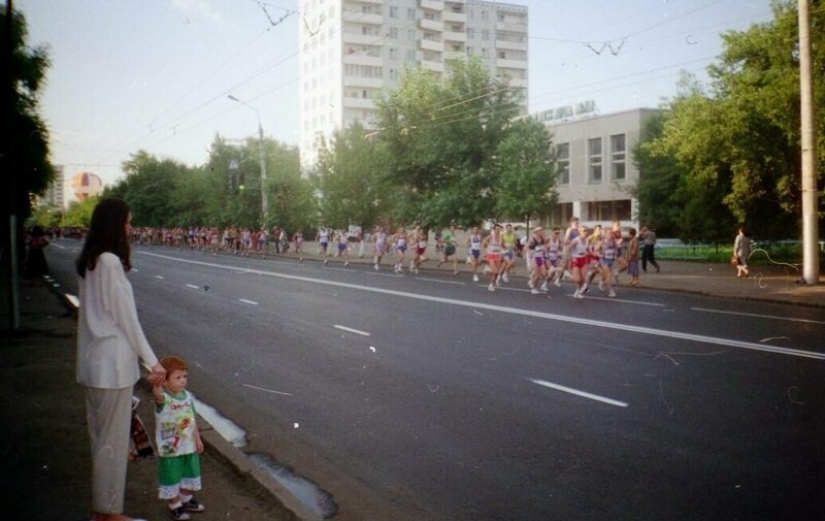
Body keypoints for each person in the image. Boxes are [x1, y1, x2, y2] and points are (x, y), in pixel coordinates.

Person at [76, 198, 167, 521]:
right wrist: (153, 363)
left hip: (92, 365)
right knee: (112, 446)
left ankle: (102, 512)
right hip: (112, 367)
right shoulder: (111, 263)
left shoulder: (90, 261)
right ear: (115, 224)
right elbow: (128, 321)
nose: (130, 228)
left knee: (101, 441)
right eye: (127, 222)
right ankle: (109, 514)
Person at [153, 356, 205, 520]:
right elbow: (158, 396)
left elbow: (192, 419)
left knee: (191, 473)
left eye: (184, 377)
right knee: (172, 476)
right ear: (165, 382)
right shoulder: (164, 400)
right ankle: (174, 504)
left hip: (188, 445)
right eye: (178, 377)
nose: (183, 381)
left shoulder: (187, 397)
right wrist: (156, 385)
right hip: (171, 448)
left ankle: (186, 499)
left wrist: (198, 439)